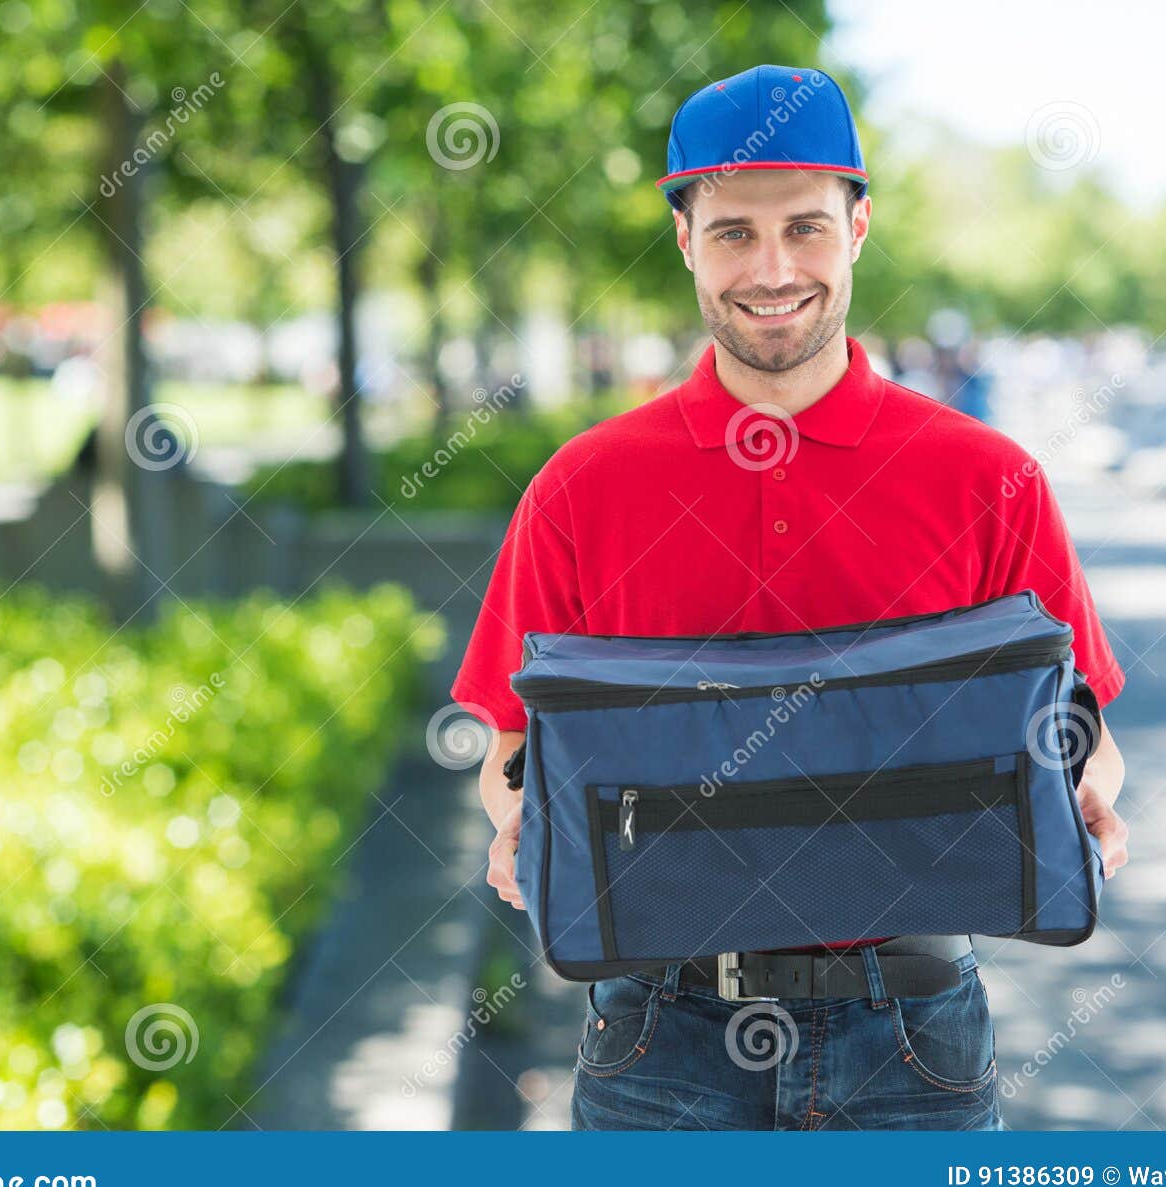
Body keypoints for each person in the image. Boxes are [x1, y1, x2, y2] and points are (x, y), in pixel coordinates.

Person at [449, 63, 1129, 1131]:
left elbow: (1080, 723)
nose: (772, 269)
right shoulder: (581, 491)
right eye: (733, 234)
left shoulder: (988, 478)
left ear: (859, 226)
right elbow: (509, 752)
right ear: (685, 240)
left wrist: (1084, 789)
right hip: (656, 1039)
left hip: (912, 1039)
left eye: (805, 228)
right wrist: (523, 825)